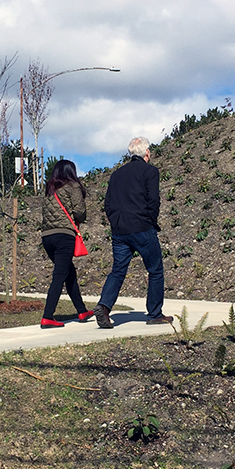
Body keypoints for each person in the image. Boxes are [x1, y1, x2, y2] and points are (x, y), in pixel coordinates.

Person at [94, 136, 172, 328]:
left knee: (118, 270)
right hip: (142, 228)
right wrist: (151, 222)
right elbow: (153, 200)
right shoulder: (150, 171)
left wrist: (115, 222)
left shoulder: (116, 175)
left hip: (120, 231)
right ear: (147, 153)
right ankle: (155, 313)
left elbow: (108, 204)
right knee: (155, 270)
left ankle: (104, 306)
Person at [40, 159, 94, 329]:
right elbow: (80, 212)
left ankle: (82, 310)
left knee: (68, 273)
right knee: (59, 276)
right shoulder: (73, 186)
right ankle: (47, 316)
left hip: (47, 237)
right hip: (64, 236)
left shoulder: (49, 189)